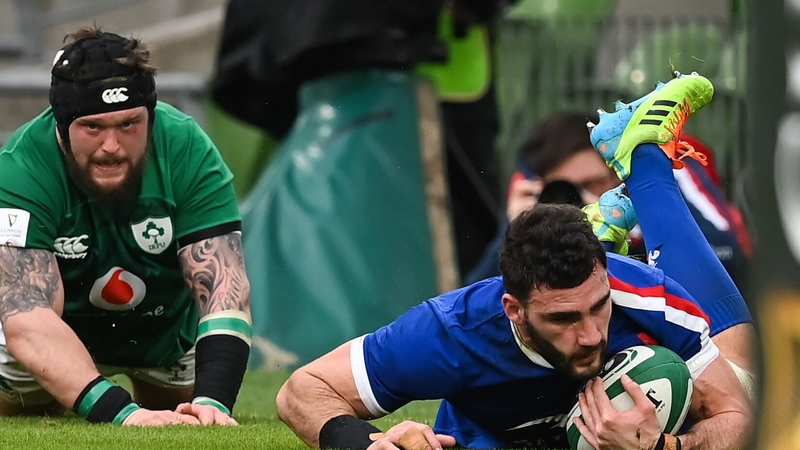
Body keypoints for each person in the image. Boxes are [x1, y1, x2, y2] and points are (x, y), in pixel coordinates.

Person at [275, 73, 751, 449]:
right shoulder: (449, 333)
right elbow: (302, 389)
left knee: (748, 380)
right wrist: (369, 443)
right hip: (489, 429)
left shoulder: (639, 295)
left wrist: (663, 447)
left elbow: (739, 420)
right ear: (513, 310)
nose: (590, 335)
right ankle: (601, 229)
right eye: (563, 318)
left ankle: (644, 155)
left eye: (596, 307)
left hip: (632, 299)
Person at [0, 27, 252, 426]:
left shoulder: (185, 146)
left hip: (164, 333)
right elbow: (28, 317)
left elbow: (226, 287)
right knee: (25, 415)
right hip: (56, 334)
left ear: (150, 117)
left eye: (129, 124)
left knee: (190, 419)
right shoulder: (20, 167)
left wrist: (215, 402)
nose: (112, 146)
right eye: (93, 128)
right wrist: (122, 414)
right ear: (61, 129)